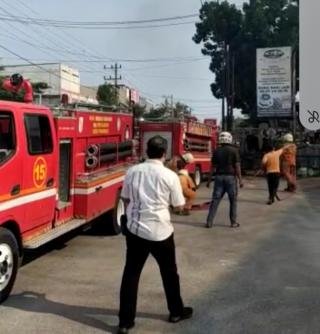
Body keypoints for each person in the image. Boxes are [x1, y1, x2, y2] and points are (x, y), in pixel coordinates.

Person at [118, 135, 193, 334]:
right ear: (164, 153)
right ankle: (176, 312)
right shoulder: (170, 176)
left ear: (146, 151)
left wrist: (133, 215)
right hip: (161, 231)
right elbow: (178, 205)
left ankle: (125, 322)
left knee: (131, 275)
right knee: (169, 273)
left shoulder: (132, 172)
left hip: (135, 231)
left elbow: (125, 199)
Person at [206, 131, 243, 228]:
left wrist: (209, 180)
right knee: (233, 201)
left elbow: (212, 167)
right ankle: (233, 222)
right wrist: (240, 180)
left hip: (218, 178)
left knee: (215, 200)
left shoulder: (216, 151)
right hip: (230, 178)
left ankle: (209, 222)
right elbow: (237, 166)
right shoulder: (234, 150)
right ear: (230, 139)